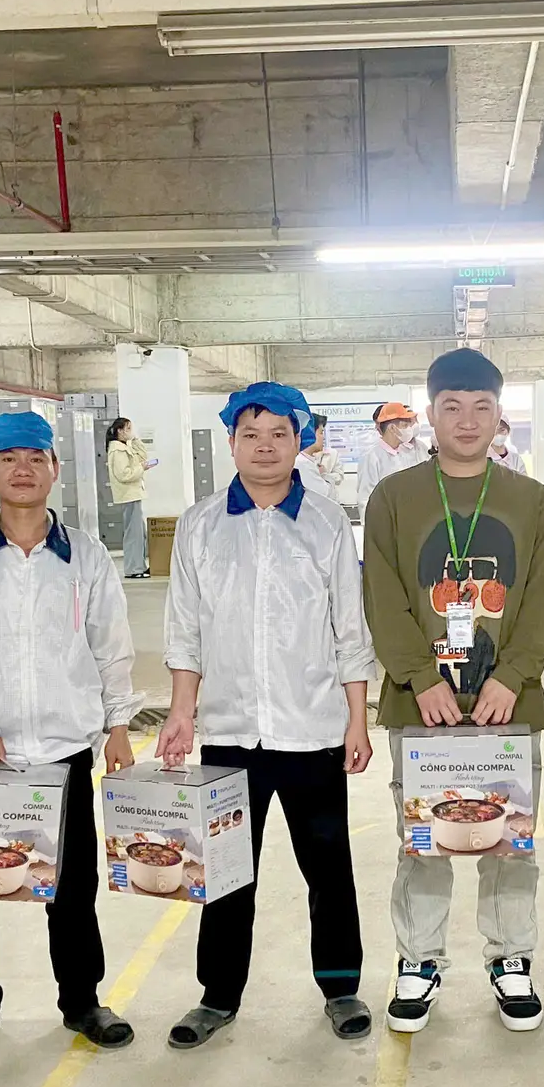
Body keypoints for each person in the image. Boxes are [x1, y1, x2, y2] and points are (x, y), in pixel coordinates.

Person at [0, 411, 139, 1061]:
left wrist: (118, 725)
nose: (22, 469)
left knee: (71, 889)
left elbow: (110, 648)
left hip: (62, 752)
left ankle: (82, 1000)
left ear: (54, 470)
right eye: (9, 457)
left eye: (36, 457)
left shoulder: (85, 556)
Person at [158, 382, 377, 1049]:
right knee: (226, 872)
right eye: (250, 435)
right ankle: (217, 996)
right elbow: (185, 630)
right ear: (231, 443)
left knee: (328, 868)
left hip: (312, 730)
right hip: (230, 733)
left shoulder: (326, 523)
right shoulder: (200, 525)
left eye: (279, 434)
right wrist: (182, 711)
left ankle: (340, 987)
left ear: (299, 442)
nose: (264, 447)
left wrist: (357, 719)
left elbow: (350, 629)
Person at [362, 347, 544, 1034]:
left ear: (499, 415)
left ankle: (511, 959)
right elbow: (382, 596)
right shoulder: (394, 498)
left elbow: (543, 599)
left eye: (481, 407)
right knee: (424, 837)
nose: (467, 420)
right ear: (431, 414)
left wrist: (512, 675)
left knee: (510, 839)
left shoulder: (531, 500)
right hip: (421, 707)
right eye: (452, 407)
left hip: (510, 706)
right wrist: (419, 677)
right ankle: (419, 961)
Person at [106, 417, 157, 578]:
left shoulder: (125, 447)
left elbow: (142, 456)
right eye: (128, 429)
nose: (130, 432)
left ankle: (139, 566)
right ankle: (133, 569)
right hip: (128, 495)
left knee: (139, 533)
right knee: (133, 534)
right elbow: (124, 474)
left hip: (133, 494)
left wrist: (135, 440)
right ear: (120, 431)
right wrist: (141, 468)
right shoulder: (117, 451)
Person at [358, 401, 425, 503]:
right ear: (392, 428)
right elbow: (365, 498)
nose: (409, 429)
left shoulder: (404, 453)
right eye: (405, 425)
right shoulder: (372, 457)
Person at [296, 413, 345, 498]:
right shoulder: (302, 464)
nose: (324, 438)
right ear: (310, 433)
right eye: (321, 432)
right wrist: (324, 476)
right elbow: (327, 496)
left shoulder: (307, 461)